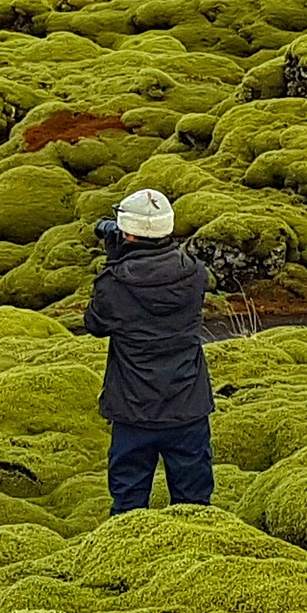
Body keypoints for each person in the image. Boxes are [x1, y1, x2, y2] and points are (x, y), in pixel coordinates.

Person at [81, 187, 214, 513]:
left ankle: (125, 561)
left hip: (132, 410)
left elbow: (95, 324)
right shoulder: (195, 274)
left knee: (128, 505)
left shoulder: (114, 284)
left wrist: (115, 260)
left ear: (128, 233)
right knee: (195, 506)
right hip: (188, 403)